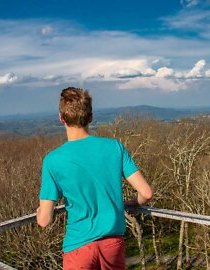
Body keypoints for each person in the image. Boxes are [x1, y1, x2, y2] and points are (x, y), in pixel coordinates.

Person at [36, 87, 153, 270]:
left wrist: (39, 212)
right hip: (112, 244)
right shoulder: (115, 148)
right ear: (90, 117)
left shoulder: (53, 160)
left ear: (61, 118)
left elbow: (44, 220)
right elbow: (146, 193)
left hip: (78, 247)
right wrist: (130, 203)